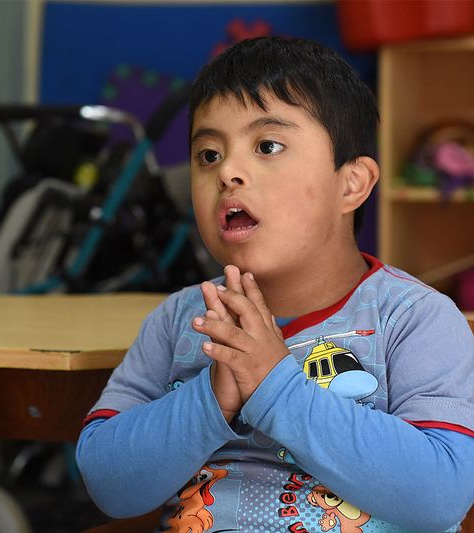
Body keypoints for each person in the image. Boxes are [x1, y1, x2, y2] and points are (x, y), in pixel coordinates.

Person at [76, 36, 474, 532]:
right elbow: (108, 485)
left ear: (351, 184)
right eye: (207, 154)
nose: (229, 172)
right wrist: (209, 398)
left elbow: (441, 498)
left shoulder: (414, 319)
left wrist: (272, 384)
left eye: (267, 146)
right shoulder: (181, 320)